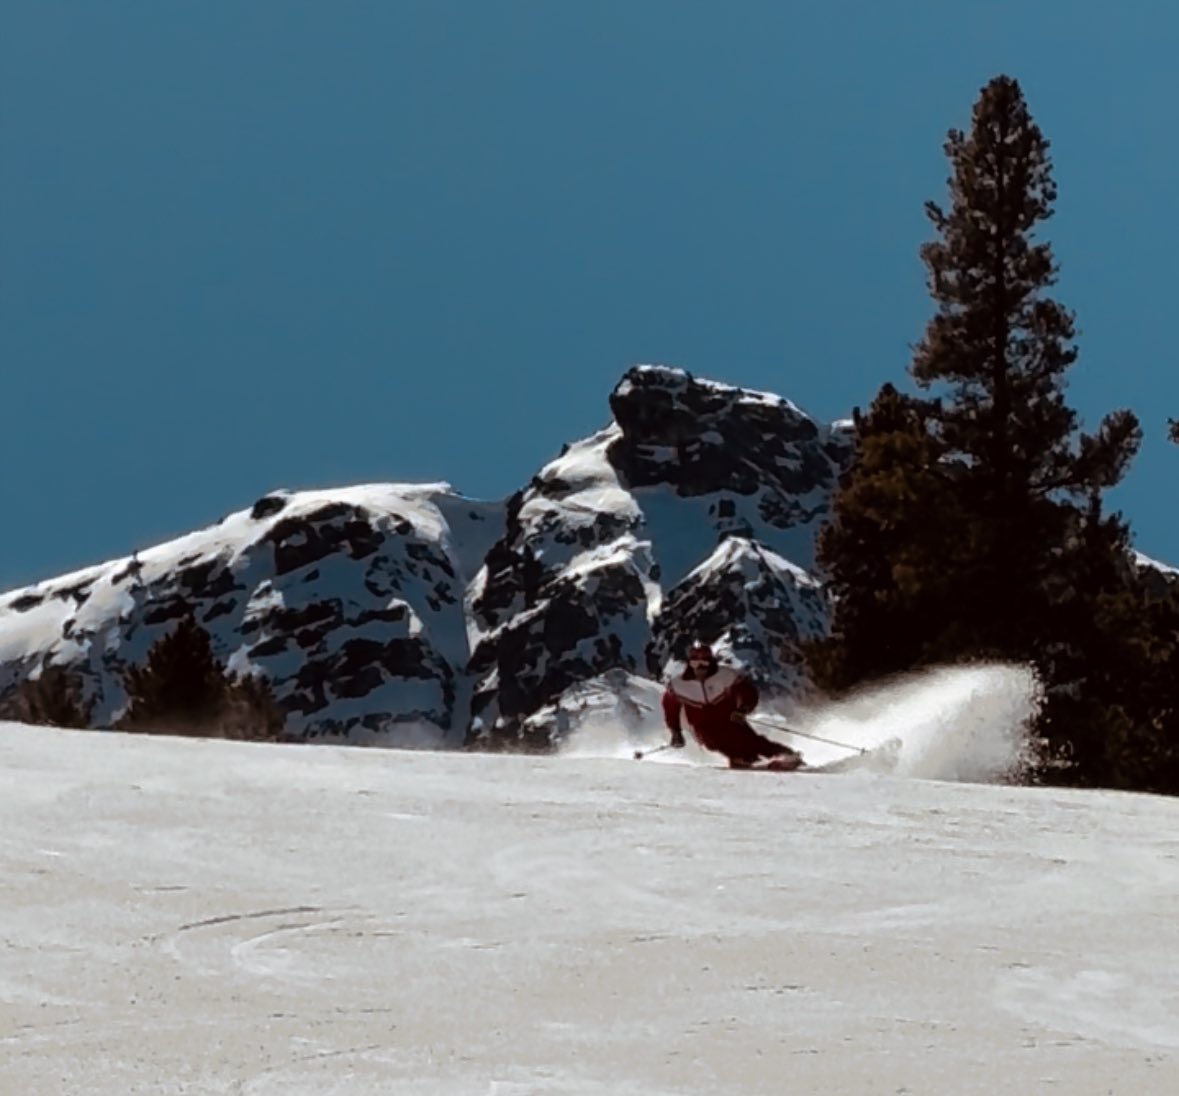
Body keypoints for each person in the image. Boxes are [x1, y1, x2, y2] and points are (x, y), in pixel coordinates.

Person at [661, 642, 803, 770]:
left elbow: (748, 692)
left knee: (752, 741)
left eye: (704, 662)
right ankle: (744, 758)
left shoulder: (725, 675)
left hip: (731, 720)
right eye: (695, 663)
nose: (700, 667)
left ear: (711, 662)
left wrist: (743, 709)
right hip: (704, 728)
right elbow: (670, 708)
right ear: (689, 663)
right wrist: (676, 732)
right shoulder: (679, 685)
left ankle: (787, 756)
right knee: (717, 741)